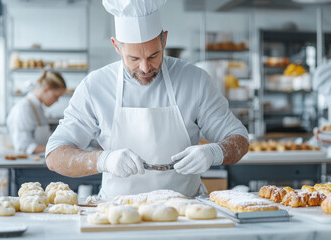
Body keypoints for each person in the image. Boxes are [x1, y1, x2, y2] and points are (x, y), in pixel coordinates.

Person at [45, 0, 249, 199]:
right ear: (117, 46)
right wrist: (102, 160)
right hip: (117, 215)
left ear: (164, 40)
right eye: (134, 58)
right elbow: (55, 155)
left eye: (153, 55)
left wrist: (215, 153)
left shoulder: (195, 81)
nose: (145, 68)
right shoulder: (95, 87)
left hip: (184, 213)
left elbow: (238, 138)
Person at [7, 70, 66, 155]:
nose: (57, 101)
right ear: (46, 89)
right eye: (56, 96)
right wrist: (57, 148)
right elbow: (23, 147)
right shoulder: (23, 108)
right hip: (27, 165)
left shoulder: (38, 107)